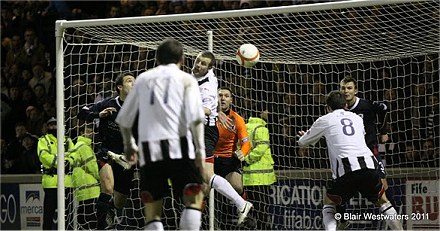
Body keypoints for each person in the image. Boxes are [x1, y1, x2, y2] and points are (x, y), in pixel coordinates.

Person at [115, 38, 206, 230]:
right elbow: (196, 118)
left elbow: (124, 119)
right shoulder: (187, 79)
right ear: (182, 59)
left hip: (149, 149)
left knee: (153, 209)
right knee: (194, 197)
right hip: (180, 145)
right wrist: (200, 150)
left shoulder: (143, 79)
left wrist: (129, 144)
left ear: (156, 58)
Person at [297, 91, 403, 231]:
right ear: (345, 105)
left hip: (347, 169)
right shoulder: (356, 118)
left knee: (329, 203)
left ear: (328, 107)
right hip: (368, 164)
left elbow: (302, 143)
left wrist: (307, 136)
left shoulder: (325, 119)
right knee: (383, 201)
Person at [192, 50, 253, 226]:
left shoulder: (208, 87)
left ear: (210, 67)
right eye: (198, 61)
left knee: (206, 177)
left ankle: (241, 204)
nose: (198, 65)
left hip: (204, 131)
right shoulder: (199, 75)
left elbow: (206, 109)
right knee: (199, 178)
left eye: (203, 63)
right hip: (199, 131)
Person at [77, 72, 136, 230]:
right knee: (108, 188)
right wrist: (98, 115)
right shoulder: (107, 103)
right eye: (130, 81)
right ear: (120, 87)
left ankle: (110, 208)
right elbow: (81, 112)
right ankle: (100, 226)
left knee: (119, 201)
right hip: (107, 152)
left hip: (127, 158)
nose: (134, 83)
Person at [339, 75, 392, 228]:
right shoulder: (338, 109)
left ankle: (393, 220)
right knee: (339, 188)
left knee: (384, 186)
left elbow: (384, 108)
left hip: (370, 149)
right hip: (350, 155)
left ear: (356, 90)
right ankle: (342, 221)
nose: (346, 91)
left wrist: (384, 131)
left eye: (349, 88)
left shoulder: (366, 105)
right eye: (343, 88)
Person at [214, 87, 251, 228]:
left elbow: (246, 142)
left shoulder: (237, 119)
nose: (222, 98)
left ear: (231, 100)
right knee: (201, 192)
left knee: (237, 185)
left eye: (226, 96)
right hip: (210, 158)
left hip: (228, 161)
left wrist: (243, 151)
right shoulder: (207, 115)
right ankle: (199, 222)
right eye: (220, 95)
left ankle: (245, 213)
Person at [38, 117, 75, 230]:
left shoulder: (68, 140)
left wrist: (67, 161)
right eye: (51, 125)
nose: (54, 127)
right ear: (47, 127)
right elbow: (43, 156)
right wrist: (61, 162)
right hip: (51, 183)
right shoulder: (43, 140)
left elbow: (74, 155)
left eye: (55, 124)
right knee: (48, 214)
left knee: (68, 214)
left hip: (66, 182)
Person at [243, 109, 277, 230]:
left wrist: (243, 159)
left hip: (248, 177)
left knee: (253, 208)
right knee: (263, 209)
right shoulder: (261, 128)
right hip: (262, 177)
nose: (268, 113)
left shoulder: (245, 127)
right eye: (266, 110)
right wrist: (248, 159)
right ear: (260, 112)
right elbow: (261, 148)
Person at [67, 124, 100, 230]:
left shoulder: (77, 145)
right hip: (91, 189)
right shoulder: (84, 146)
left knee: (83, 218)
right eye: (88, 130)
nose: (91, 132)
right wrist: (103, 178)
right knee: (92, 220)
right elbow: (92, 166)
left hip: (82, 189)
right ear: (81, 133)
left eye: (92, 130)